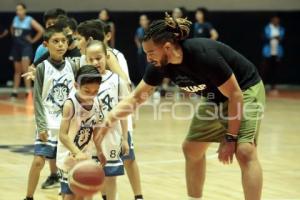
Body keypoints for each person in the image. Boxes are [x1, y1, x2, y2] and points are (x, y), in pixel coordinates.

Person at [97, 13, 266, 200]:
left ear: (167, 47)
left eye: (151, 53)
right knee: (191, 148)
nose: (148, 59)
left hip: (245, 90)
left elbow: (235, 95)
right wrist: (108, 120)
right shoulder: (159, 64)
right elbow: (136, 98)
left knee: (244, 151)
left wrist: (231, 138)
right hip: (215, 97)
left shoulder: (204, 56)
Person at [23, 25, 76, 200]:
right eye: (55, 41)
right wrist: (42, 125)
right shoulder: (42, 68)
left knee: (65, 165)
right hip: (48, 122)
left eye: (63, 41)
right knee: (39, 161)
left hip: (66, 125)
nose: (60, 44)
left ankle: (65, 195)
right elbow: (37, 98)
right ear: (46, 45)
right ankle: (29, 197)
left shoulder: (73, 66)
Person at [86, 40, 143, 200]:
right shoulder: (83, 81)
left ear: (106, 56)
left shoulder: (116, 80)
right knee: (89, 177)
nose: (95, 62)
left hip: (112, 136)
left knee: (110, 176)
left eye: (99, 58)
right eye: (91, 59)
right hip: (89, 138)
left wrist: (125, 138)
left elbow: (123, 111)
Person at [56, 65, 104, 200]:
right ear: (76, 85)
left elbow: (96, 131)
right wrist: (77, 152)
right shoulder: (70, 105)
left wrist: (100, 151)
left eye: (95, 91)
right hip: (68, 156)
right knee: (70, 196)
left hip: (85, 155)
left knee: (83, 193)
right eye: (86, 90)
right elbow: (63, 135)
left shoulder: (97, 102)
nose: (91, 95)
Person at [9, 3, 44, 99]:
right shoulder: (15, 19)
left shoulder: (29, 19)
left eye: (20, 9)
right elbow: (11, 28)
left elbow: (41, 30)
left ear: (24, 10)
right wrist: (14, 36)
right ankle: (14, 91)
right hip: (16, 48)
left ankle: (28, 91)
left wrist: (32, 40)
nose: (18, 12)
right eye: (17, 10)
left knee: (26, 70)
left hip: (25, 48)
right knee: (17, 71)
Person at [261, 15, 285, 95]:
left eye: (277, 20)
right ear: (272, 20)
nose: (276, 21)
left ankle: (273, 88)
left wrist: (276, 38)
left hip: (277, 53)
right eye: (275, 20)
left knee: (275, 71)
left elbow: (281, 38)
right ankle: (261, 87)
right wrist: (273, 37)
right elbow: (265, 37)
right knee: (265, 70)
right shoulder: (267, 28)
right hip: (267, 53)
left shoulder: (281, 29)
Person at [134, 14, 150, 85]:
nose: (143, 21)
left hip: (149, 52)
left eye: (144, 19)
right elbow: (136, 38)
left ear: (147, 21)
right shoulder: (139, 30)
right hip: (141, 51)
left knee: (148, 67)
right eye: (141, 20)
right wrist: (139, 46)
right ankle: (143, 83)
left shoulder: (150, 29)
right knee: (141, 68)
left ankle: (149, 82)